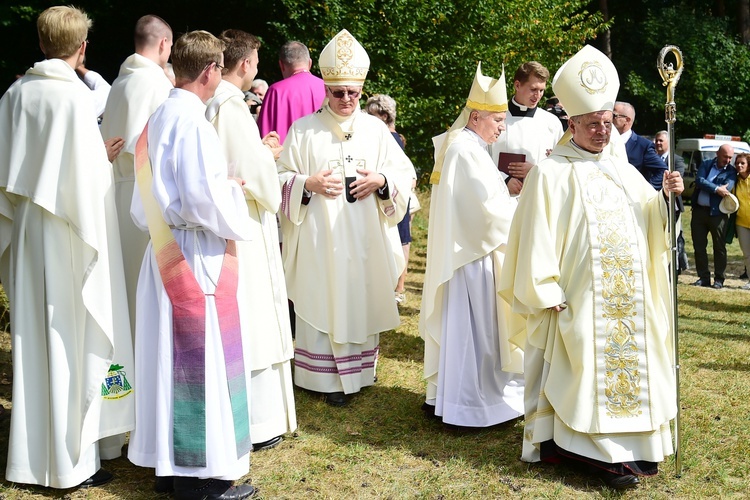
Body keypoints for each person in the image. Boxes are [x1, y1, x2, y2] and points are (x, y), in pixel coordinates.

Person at [499, 45, 683, 490]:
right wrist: (545, 291)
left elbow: (652, 219)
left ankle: (634, 447)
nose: (603, 132)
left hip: (629, 299)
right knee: (584, 365)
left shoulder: (622, 168)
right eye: (593, 124)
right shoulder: (551, 172)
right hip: (577, 299)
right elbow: (535, 236)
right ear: (573, 124)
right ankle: (591, 452)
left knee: (632, 359)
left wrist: (668, 199)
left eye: (607, 123)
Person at [0, 5, 133, 489]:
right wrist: (101, 156)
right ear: (82, 49)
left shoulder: (15, 94)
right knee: (69, 338)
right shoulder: (75, 99)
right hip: (71, 234)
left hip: (32, 231)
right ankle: (71, 464)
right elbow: (84, 178)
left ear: (40, 44)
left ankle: (31, 458)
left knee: (35, 338)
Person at [126, 30, 256, 500]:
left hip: (160, 250)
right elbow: (204, 199)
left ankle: (169, 465)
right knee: (198, 364)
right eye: (220, 68)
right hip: (193, 253)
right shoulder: (195, 123)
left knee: (167, 361)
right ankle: (201, 483)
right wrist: (234, 192)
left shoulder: (158, 115)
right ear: (209, 72)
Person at [277, 29, 412, 407]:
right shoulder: (303, 131)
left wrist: (382, 181)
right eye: (339, 93)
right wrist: (308, 183)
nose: (347, 99)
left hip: (364, 235)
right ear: (326, 88)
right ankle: (319, 377)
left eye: (354, 92)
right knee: (323, 292)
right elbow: (280, 178)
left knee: (359, 292)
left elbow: (404, 174)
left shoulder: (375, 130)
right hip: (320, 238)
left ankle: (359, 372)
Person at [206, 28, 297, 452]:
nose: (257, 67)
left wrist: (258, 152)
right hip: (244, 222)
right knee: (255, 313)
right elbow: (254, 175)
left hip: (227, 218)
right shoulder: (232, 106)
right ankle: (259, 421)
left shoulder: (212, 102)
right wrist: (270, 157)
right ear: (245, 64)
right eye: (257, 61)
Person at [420, 63, 524, 427]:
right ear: (476, 116)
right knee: (477, 334)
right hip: (473, 258)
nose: (502, 127)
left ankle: (460, 399)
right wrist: (522, 212)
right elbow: (488, 212)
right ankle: (471, 405)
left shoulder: (471, 146)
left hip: (473, 252)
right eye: (498, 120)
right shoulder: (465, 150)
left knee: (476, 334)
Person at [100, 14, 173, 340]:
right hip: (145, 198)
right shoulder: (157, 83)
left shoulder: (119, 83)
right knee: (145, 288)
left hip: (114, 192)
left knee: (122, 283)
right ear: (163, 44)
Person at [364, 94, 418, 303]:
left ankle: (398, 287)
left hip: (392, 194)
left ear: (384, 116)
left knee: (399, 239)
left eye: (372, 114)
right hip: (392, 194)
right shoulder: (391, 137)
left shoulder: (388, 138)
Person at [489, 61, 563, 195]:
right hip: (500, 195)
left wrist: (536, 171)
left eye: (541, 90)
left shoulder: (552, 122)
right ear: (517, 85)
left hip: (538, 195)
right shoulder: (494, 118)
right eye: (533, 89)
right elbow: (480, 157)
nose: (538, 96)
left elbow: (562, 164)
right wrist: (504, 180)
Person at [257, 40, 326, 143]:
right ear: (310, 63)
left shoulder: (276, 91)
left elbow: (265, 136)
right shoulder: (328, 88)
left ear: (281, 65)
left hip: (285, 157)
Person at [691, 144, 737, 289]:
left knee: (719, 247)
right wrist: (716, 188)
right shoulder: (706, 164)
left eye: (730, 157)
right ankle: (703, 277)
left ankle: (719, 279)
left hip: (718, 214)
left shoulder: (731, 172)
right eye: (725, 156)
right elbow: (699, 181)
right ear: (717, 154)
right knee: (699, 246)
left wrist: (708, 185)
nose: (728, 160)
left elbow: (727, 189)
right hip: (699, 212)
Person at [654, 130, 689, 272]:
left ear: (668, 142)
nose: (657, 143)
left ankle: (677, 265)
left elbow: (677, 179)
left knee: (675, 236)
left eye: (661, 140)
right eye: (656, 140)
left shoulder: (677, 160)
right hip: (654, 203)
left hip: (672, 205)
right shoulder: (650, 157)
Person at [613, 101, 668, 189]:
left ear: (627, 120)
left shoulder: (643, 145)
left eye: (613, 116)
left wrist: (645, 190)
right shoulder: (602, 141)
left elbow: (662, 171)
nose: (608, 119)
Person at [733, 153, 750, 289]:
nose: (739, 165)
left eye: (742, 163)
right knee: (747, 254)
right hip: (741, 223)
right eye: (737, 163)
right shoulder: (735, 180)